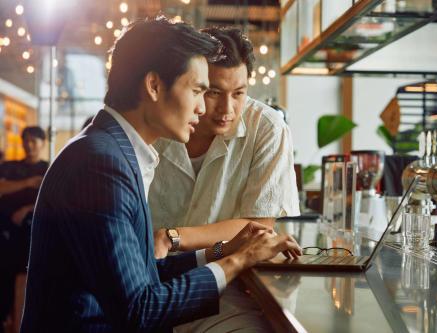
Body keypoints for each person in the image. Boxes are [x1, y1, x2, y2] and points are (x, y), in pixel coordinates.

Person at [21, 17, 301, 333]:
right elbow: (140, 311)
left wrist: (222, 251)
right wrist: (237, 262)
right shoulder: (101, 166)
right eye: (198, 90)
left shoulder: (108, 149)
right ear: (154, 86)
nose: (202, 108)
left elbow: (141, 274)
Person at [148, 27, 300, 332]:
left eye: (239, 93)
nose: (227, 110)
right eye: (213, 92)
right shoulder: (158, 123)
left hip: (226, 286)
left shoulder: (267, 129)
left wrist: (171, 236)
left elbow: (258, 225)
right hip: (153, 280)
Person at [0, 126, 48, 328]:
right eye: (26, 141)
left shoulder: (48, 168)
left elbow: (51, 200)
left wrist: (28, 209)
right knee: (4, 277)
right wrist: (28, 182)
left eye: (33, 141)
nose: (29, 145)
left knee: (24, 277)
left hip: (29, 232)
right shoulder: (10, 167)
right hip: (4, 229)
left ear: (42, 144)